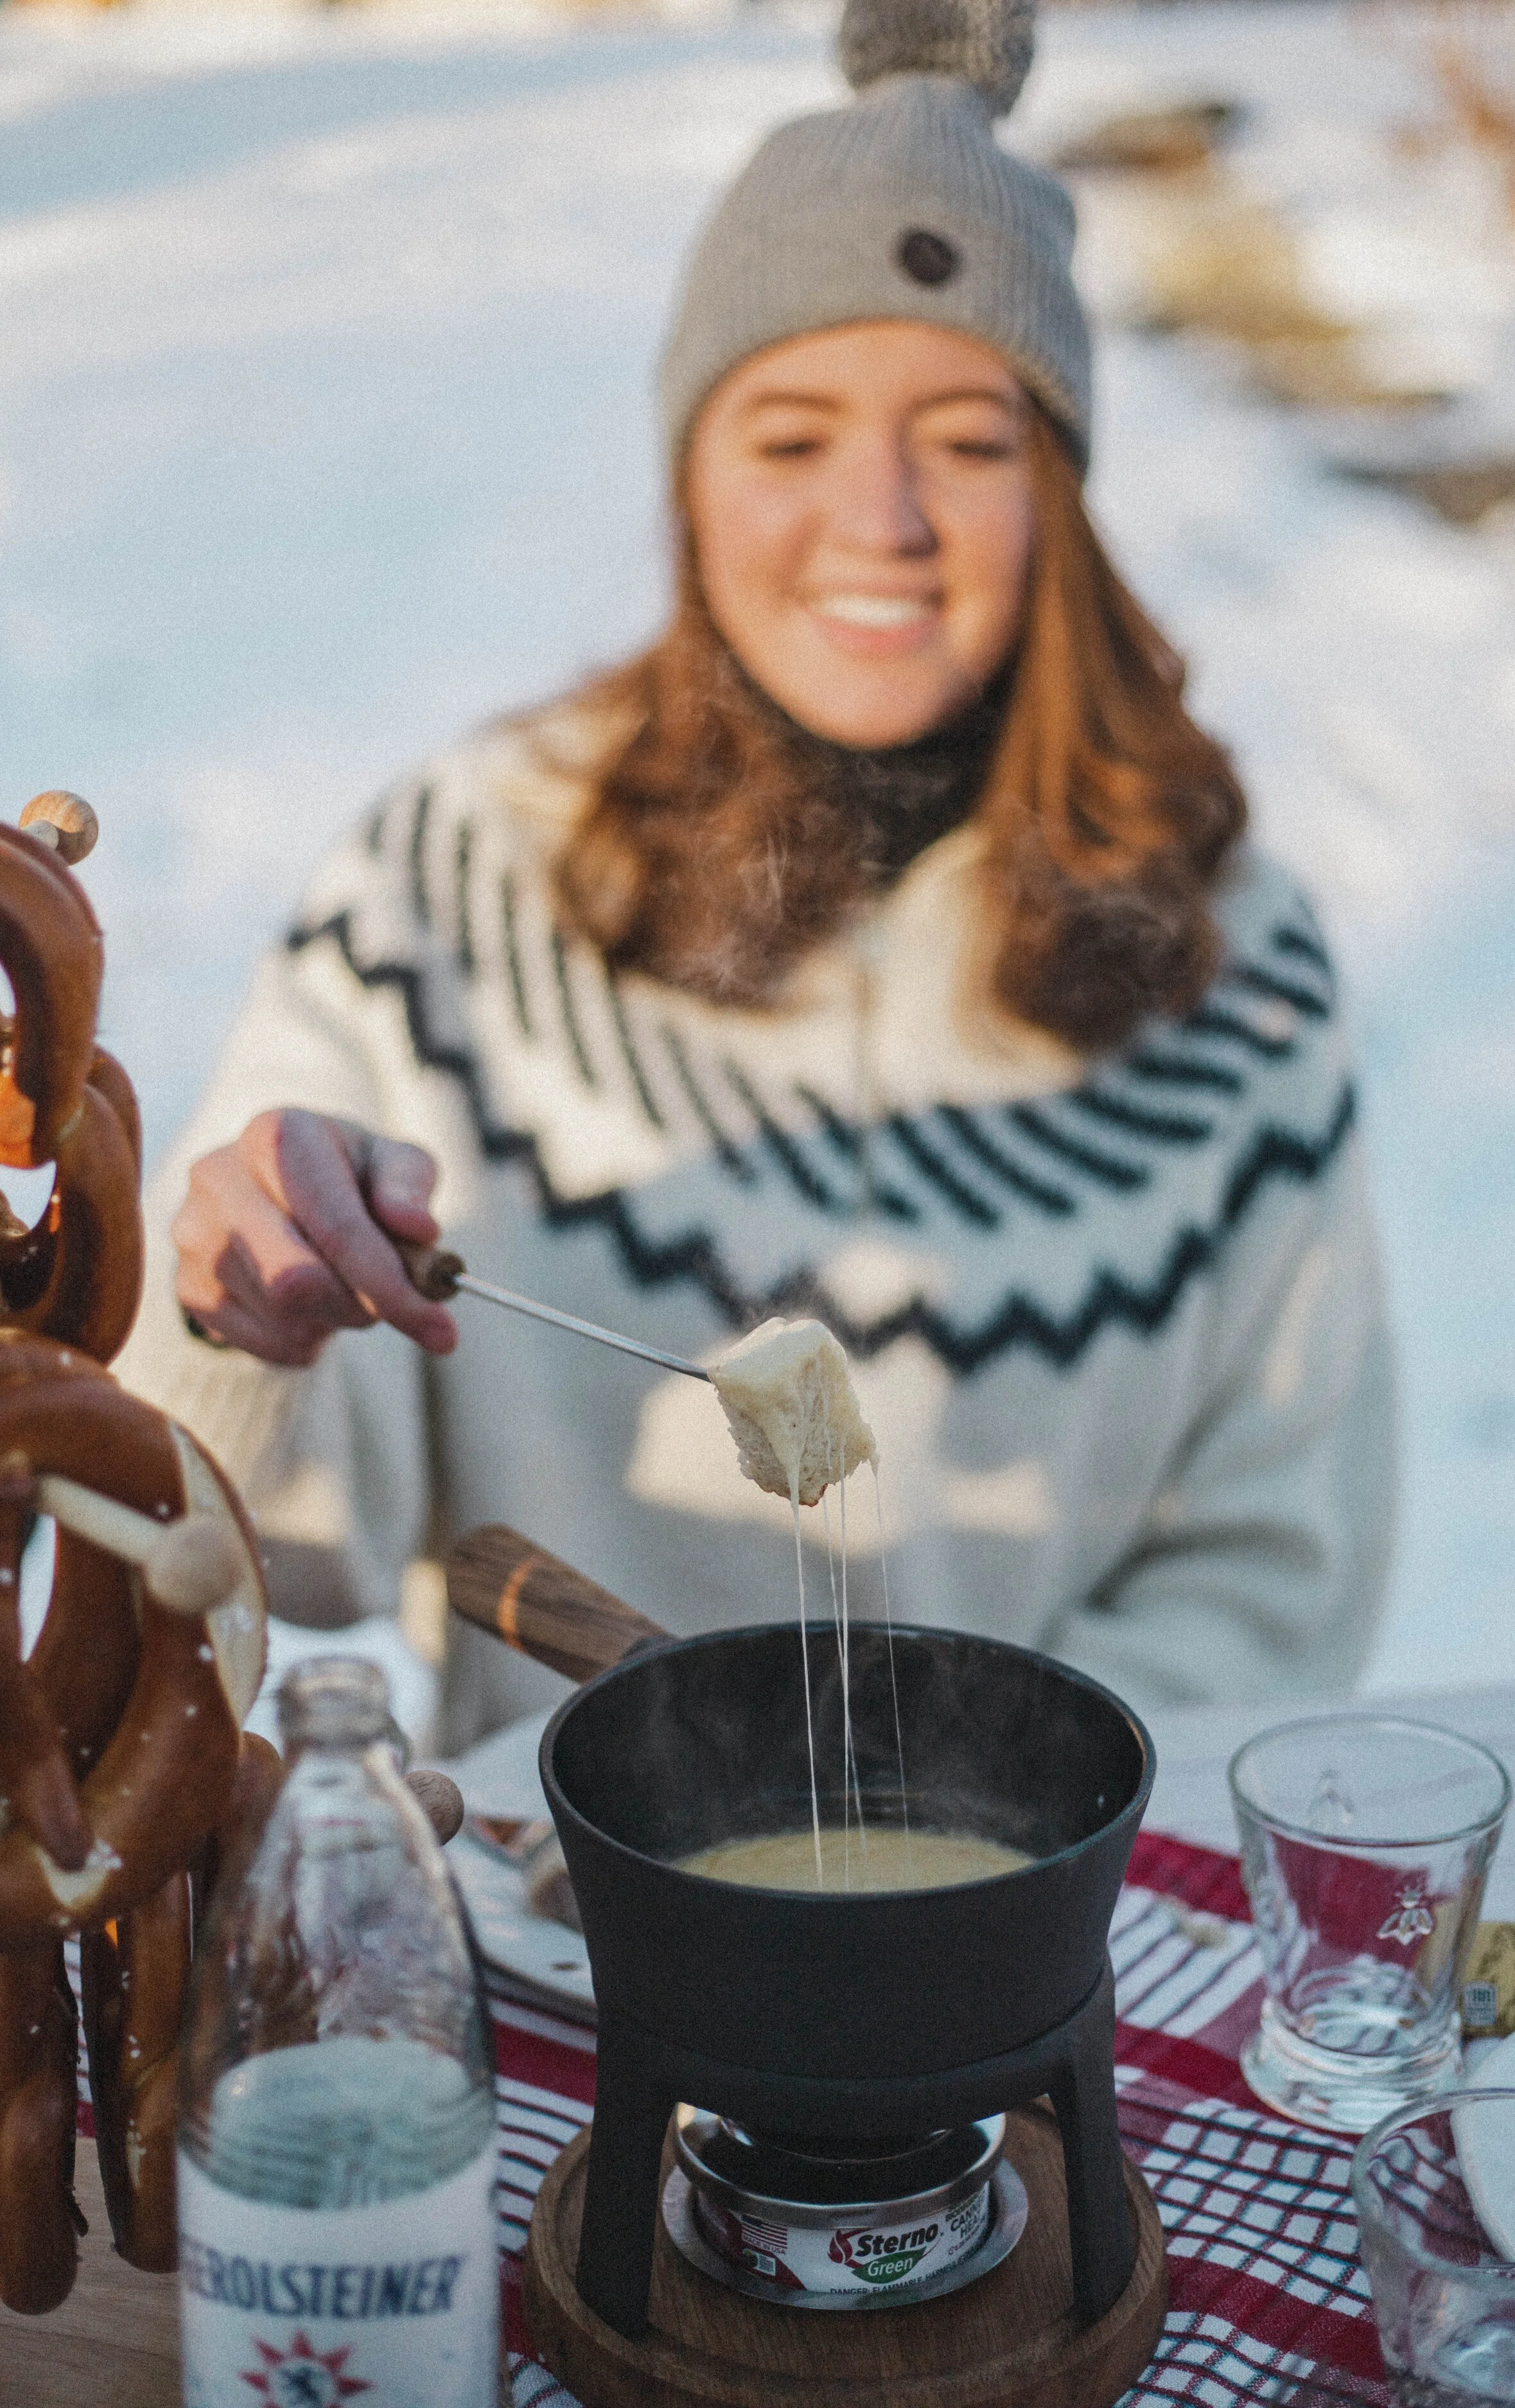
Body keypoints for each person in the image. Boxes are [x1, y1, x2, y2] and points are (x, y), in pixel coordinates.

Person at [118, 0, 1394, 1752]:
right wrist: (237, 1322)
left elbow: (1268, 1571)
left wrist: (961, 1814)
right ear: (690, 479)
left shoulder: (1236, 969)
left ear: (1062, 492)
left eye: (966, 437)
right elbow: (208, 1554)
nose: (877, 519)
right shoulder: (457, 884)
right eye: (790, 435)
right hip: (552, 1922)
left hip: (1022, 1933)